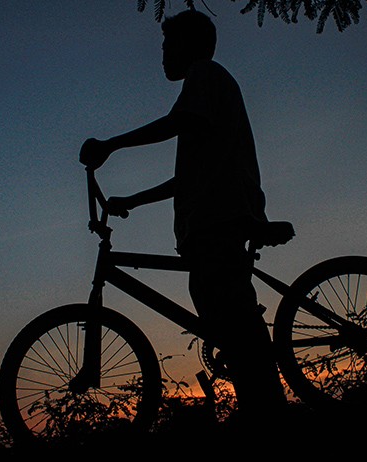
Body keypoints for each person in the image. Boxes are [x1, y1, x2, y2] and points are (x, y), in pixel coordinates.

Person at [79, 10, 287, 424]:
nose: (161, 55)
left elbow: (178, 122)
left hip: (220, 218)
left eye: (166, 45)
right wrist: (134, 200)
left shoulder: (205, 75)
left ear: (187, 46)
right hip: (212, 218)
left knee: (235, 318)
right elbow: (187, 179)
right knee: (225, 317)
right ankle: (259, 408)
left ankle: (268, 413)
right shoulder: (206, 85)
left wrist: (112, 145)